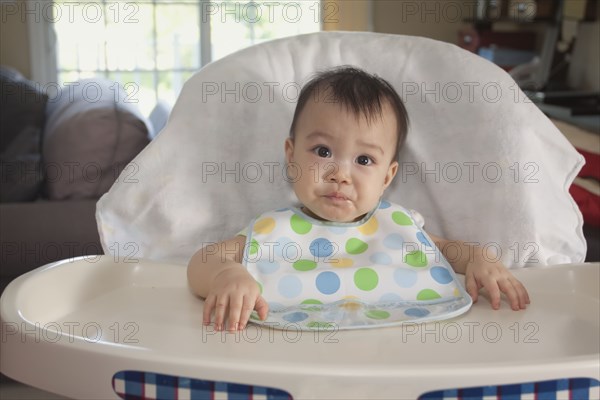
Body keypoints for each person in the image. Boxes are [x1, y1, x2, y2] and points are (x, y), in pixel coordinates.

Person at [187, 66, 530, 332]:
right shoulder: (274, 230)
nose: (341, 174)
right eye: (323, 151)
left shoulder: (398, 226)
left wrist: (478, 258)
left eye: (364, 160)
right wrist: (225, 276)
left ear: (387, 177)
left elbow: (449, 251)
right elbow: (203, 260)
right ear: (291, 157)